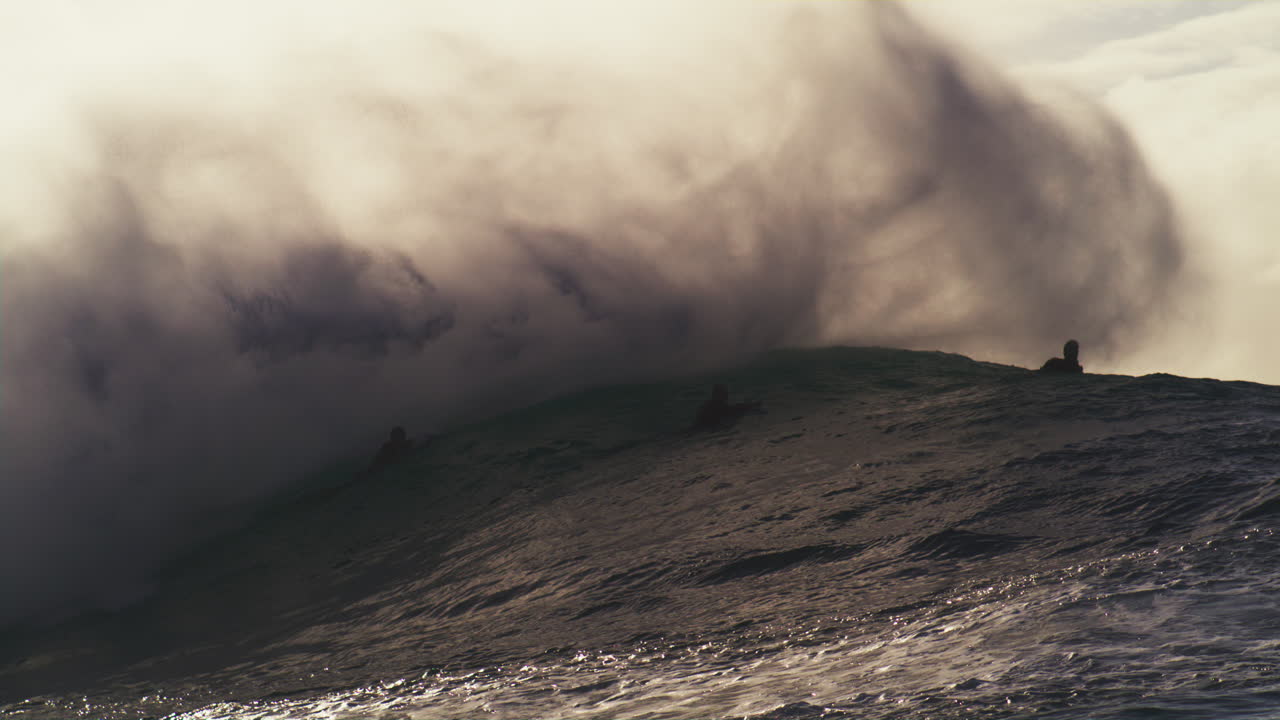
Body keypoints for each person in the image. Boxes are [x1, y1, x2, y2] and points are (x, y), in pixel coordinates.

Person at [692, 384, 762, 430]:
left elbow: (730, 409)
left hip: (700, 426)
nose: (726, 396)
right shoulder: (715, 405)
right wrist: (750, 406)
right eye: (725, 394)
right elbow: (730, 410)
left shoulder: (709, 404)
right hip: (706, 427)